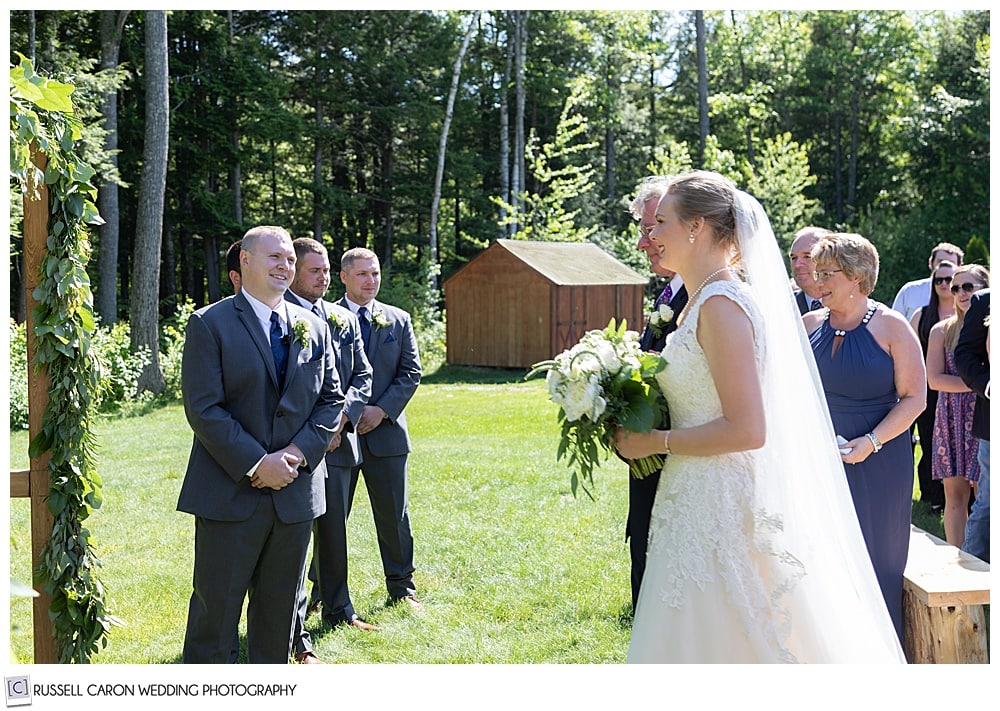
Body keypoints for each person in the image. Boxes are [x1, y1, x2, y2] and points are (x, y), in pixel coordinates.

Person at [615, 170, 904, 663]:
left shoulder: (722, 305)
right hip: (690, 495)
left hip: (721, 500)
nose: (652, 234)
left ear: (696, 227)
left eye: (661, 221)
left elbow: (748, 429)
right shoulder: (699, 302)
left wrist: (655, 441)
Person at [178, 225, 344, 663]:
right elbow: (204, 409)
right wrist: (257, 463)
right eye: (274, 257)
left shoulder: (313, 325)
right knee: (215, 619)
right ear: (245, 262)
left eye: (290, 259)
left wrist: (294, 455)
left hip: (294, 496)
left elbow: (331, 399)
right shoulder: (209, 324)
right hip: (230, 495)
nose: (285, 266)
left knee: (278, 620)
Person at [804, 233, 926, 643]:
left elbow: (915, 400)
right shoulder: (808, 325)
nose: (815, 281)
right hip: (819, 462)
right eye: (815, 272)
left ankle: (878, 653)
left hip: (879, 462)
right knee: (819, 562)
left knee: (874, 561)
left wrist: (871, 442)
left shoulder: (891, 326)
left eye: (826, 273)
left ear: (857, 277)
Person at [286, 238, 375, 664]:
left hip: (340, 443)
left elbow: (362, 373)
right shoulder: (280, 315)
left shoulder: (342, 318)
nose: (323, 277)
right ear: (294, 271)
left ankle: (339, 609)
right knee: (297, 545)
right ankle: (295, 634)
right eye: (314, 271)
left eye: (325, 270)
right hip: (298, 448)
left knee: (335, 534)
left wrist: (341, 419)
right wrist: (316, 432)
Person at [336, 247, 423, 609]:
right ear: (343, 276)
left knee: (394, 515)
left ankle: (402, 587)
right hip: (337, 437)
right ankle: (323, 590)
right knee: (330, 519)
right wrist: (348, 416)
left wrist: (382, 410)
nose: (370, 281)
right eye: (362, 274)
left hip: (386, 436)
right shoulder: (325, 318)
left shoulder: (398, 319)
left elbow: (411, 372)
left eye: (375, 274)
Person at [624, 176, 688, 613]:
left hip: (683, 464)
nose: (647, 242)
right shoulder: (672, 290)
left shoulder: (710, 296)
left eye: (654, 227)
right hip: (655, 458)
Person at [926, 265, 990, 546]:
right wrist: (976, 383)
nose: (961, 293)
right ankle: (957, 558)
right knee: (955, 495)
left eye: (968, 286)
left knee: (984, 492)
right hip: (952, 416)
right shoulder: (942, 331)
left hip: (982, 412)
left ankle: (979, 554)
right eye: (955, 288)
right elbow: (934, 379)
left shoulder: (988, 322)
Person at [908, 261, 958, 512]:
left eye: (949, 280)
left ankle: (960, 498)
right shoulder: (922, 314)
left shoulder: (968, 313)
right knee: (930, 442)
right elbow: (911, 354)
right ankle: (933, 496)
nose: (944, 285)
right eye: (938, 280)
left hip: (960, 388)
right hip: (929, 388)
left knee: (958, 443)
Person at [955, 287, 990, 563]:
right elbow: (964, 354)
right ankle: (970, 582)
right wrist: (987, 385)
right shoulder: (986, 301)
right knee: (989, 503)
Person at [891, 242, 964, 321]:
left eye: (950, 263)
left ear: (960, 267)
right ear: (930, 263)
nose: (944, 266)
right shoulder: (910, 291)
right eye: (940, 262)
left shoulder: (965, 294)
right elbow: (892, 324)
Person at [788, 226, 831, 314]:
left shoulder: (853, 305)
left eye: (807, 256)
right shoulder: (783, 306)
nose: (797, 265)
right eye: (794, 258)